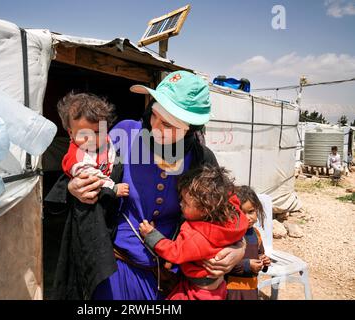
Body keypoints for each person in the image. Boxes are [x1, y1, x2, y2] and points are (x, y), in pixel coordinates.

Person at [49, 70, 246, 300]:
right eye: (154, 116)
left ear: (190, 128)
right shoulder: (125, 134)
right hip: (115, 268)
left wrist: (238, 248)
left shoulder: (202, 160)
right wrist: (73, 186)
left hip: (169, 278)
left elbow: (227, 213)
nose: (155, 128)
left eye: (169, 125)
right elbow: (84, 163)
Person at [51, 92, 129, 300]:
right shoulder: (76, 156)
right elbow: (91, 177)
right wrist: (113, 188)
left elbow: (111, 156)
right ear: (70, 133)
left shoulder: (109, 142)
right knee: (88, 277)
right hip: (88, 224)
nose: (92, 139)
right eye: (84, 134)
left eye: (98, 132)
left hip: (113, 227)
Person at [139, 166, 249, 300]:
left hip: (199, 293)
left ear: (204, 210)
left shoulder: (198, 236)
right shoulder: (233, 219)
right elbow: (233, 199)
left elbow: (175, 252)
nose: (180, 204)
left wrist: (151, 235)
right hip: (217, 287)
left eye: (185, 203)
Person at [226, 185, 271, 300]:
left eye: (251, 212)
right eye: (241, 213)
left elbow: (260, 254)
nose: (247, 218)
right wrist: (247, 265)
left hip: (251, 288)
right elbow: (225, 264)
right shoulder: (229, 236)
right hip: (232, 289)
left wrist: (264, 261)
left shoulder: (256, 234)